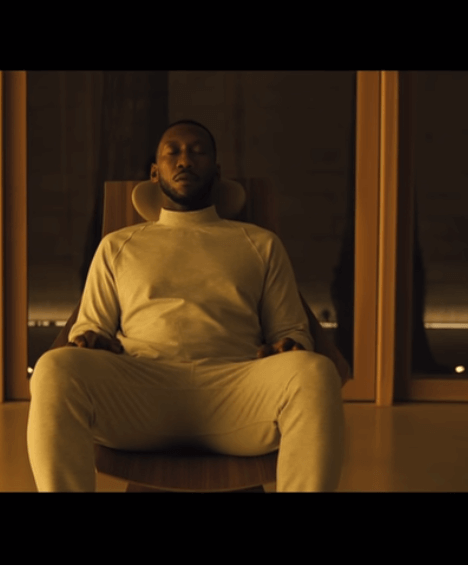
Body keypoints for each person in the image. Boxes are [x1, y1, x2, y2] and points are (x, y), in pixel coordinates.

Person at [27, 119, 347, 492]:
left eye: (197, 151)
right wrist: (92, 340)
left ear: (216, 171)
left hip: (235, 390)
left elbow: (290, 330)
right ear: (154, 172)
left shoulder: (259, 243)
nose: (185, 161)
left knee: (315, 373)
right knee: (54, 368)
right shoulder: (118, 245)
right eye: (173, 152)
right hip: (141, 392)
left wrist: (288, 346)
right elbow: (90, 327)